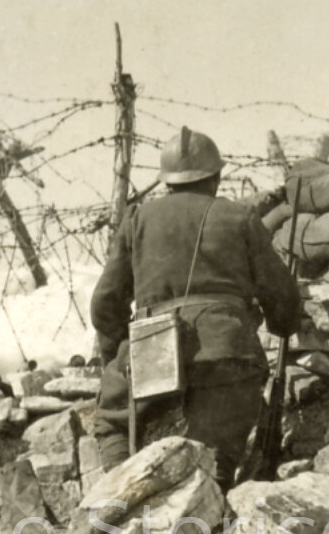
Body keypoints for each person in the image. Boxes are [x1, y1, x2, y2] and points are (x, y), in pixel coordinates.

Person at [90, 126, 301, 488]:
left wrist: (119, 356)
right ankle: (209, 504)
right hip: (225, 354)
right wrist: (282, 323)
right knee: (214, 462)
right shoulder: (241, 218)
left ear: (166, 181)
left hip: (151, 353)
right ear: (216, 177)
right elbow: (283, 303)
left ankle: (122, 496)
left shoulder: (137, 219)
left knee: (114, 427)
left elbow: (105, 304)